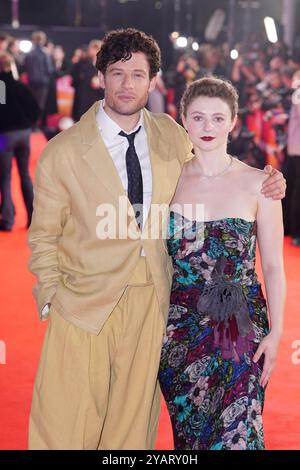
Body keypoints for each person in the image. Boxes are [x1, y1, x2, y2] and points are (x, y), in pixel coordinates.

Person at [27, 29, 286, 450]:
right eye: (117, 73)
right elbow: (42, 236)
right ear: (100, 77)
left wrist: (271, 180)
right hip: (84, 306)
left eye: (137, 74)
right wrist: (53, 297)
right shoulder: (63, 151)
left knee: (130, 435)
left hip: (155, 306)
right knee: (66, 428)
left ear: (153, 81)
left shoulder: (170, 135)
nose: (126, 84)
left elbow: (217, 163)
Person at [158, 77, 286, 450]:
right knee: (192, 438)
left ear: (233, 121)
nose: (207, 127)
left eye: (217, 118)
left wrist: (277, 334)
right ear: (183, 119)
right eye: (198, 118)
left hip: (241, 327)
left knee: (239, 434)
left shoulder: (260, 184)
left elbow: (274, 266)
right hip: (179, 329)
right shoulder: (167, 181)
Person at [0, 52, 39, 231]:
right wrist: (28, 124)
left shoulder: (1, 87)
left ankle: (7, 220)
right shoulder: (20, 86)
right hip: (24, 134)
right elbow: (36, 109)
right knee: (25, 175)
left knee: (5, 177)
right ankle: (33, 218)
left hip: (5, 136)